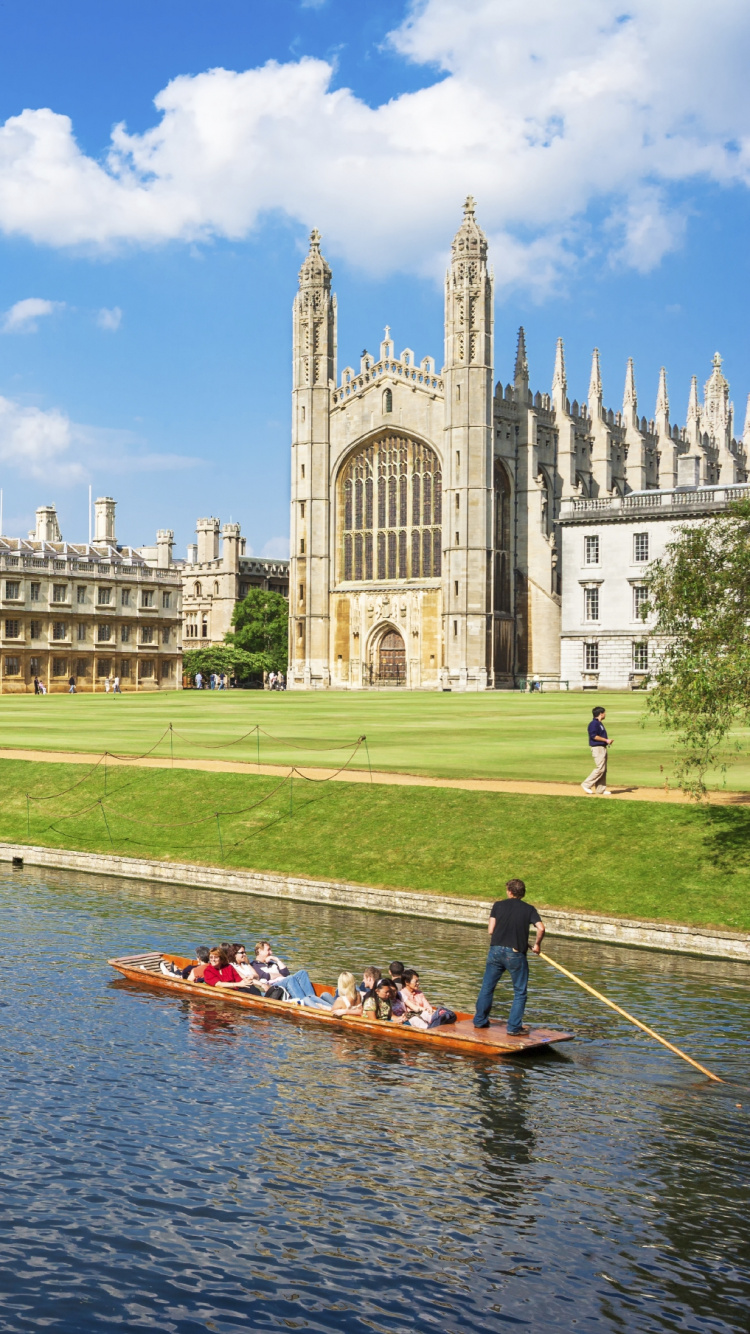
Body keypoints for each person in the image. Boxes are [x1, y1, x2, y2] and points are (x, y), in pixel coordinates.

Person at [473, 878, 545, 1033]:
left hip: (496, 951)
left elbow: (491, 930)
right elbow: (541, 928)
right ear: (522, 893)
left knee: (487, 987)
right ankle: (513, 1027)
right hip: (515, 954)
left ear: (509, 891)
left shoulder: (498, 905)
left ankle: (479, 1021)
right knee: (520, 991)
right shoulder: (529, 909)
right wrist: (537, 944)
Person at [582, 705, 613, 796]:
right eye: (604, 713)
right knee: (600, 768)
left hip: (602, 747)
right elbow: (594, 736)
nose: (605, 714)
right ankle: (586, 784)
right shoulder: (593, 724)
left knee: (603, 769)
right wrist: (606, 740)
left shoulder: (599, 723)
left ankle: (600, 789)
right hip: (597, 748)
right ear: (601, 714)